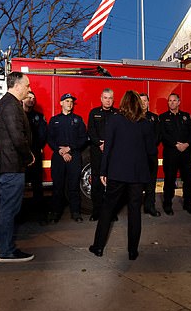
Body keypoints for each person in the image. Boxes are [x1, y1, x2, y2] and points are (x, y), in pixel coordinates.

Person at [89, 91, 157, 260]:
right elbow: (152, 152)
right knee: (135, 212)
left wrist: (103, 171)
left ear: (123, 103)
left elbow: (108, 148)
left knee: (107, 209)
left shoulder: (115, 120)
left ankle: (98, 247)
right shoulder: (146, 123)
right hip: (137, 176)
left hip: (117, 173)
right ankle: (132, 252)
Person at [0, 71, 35, 263]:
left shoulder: (5, 103)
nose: (29, 90)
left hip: (1, 166)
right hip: (11, 167)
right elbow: (17, 137)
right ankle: (6, 251)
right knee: (8, 209)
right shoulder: (11, 106)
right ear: (17, 85)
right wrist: (28, 156)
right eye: (27, 85)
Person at [47, 93, 88, 223]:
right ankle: (55, 213)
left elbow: (83, 139)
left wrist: (69, 149)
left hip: (74, 155)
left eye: (71, 101)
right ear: (61, 103)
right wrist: (61, 151)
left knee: (74, 186)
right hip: (59, 156)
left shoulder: (78, 119)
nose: (69, 103)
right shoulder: (54, 120)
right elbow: (50, 139)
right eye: (66, 101)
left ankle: (76, 213)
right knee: (57, 186)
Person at [159, 93, 191, 215]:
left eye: (174, 100)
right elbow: (163, 134)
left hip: (186, 153)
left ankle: (188, 203)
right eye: (170, 101)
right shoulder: (163, 117)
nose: (172, 103)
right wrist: (176, 144)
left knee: (189, 179)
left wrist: (186, 144)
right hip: (171, 153)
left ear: (179, 102)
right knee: (169, 179)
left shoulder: (186, 116)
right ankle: (168, 204)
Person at [87, 88, 118, 220]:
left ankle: (111, 213)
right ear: (101, 99)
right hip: (97, 152)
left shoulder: (118, 114)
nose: (108, 100)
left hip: (113, 153)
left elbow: (120, 132)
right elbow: (91, 131)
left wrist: (109, 145)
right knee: (96, 183)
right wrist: (100, 144)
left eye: (110, 98)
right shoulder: (94, 113)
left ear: (113, 99)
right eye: (105, 97)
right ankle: (96, 212)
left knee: (113, 184)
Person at [23, 91, 48, 224]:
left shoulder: (39, 117)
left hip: (35, 155)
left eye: (33, 98)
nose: (31, 100)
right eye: (29, 97)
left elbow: (43, 135)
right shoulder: (18, 115)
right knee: (19, 187)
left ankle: (40, 216)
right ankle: (19, 216)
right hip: (21, 156)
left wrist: (35, 149)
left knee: (37, 187)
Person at [140, 93, 161, 217]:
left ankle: (150, 206)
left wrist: (149, 147)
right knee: (137, 183)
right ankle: (136, 207)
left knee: (151, 182)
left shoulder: (154, 118)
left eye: (145, 101)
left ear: (148, 102)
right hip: (138, 156)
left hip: (151, 155)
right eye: (140, 101)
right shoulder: (134, 117)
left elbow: (158, 136)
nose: (143, 103)